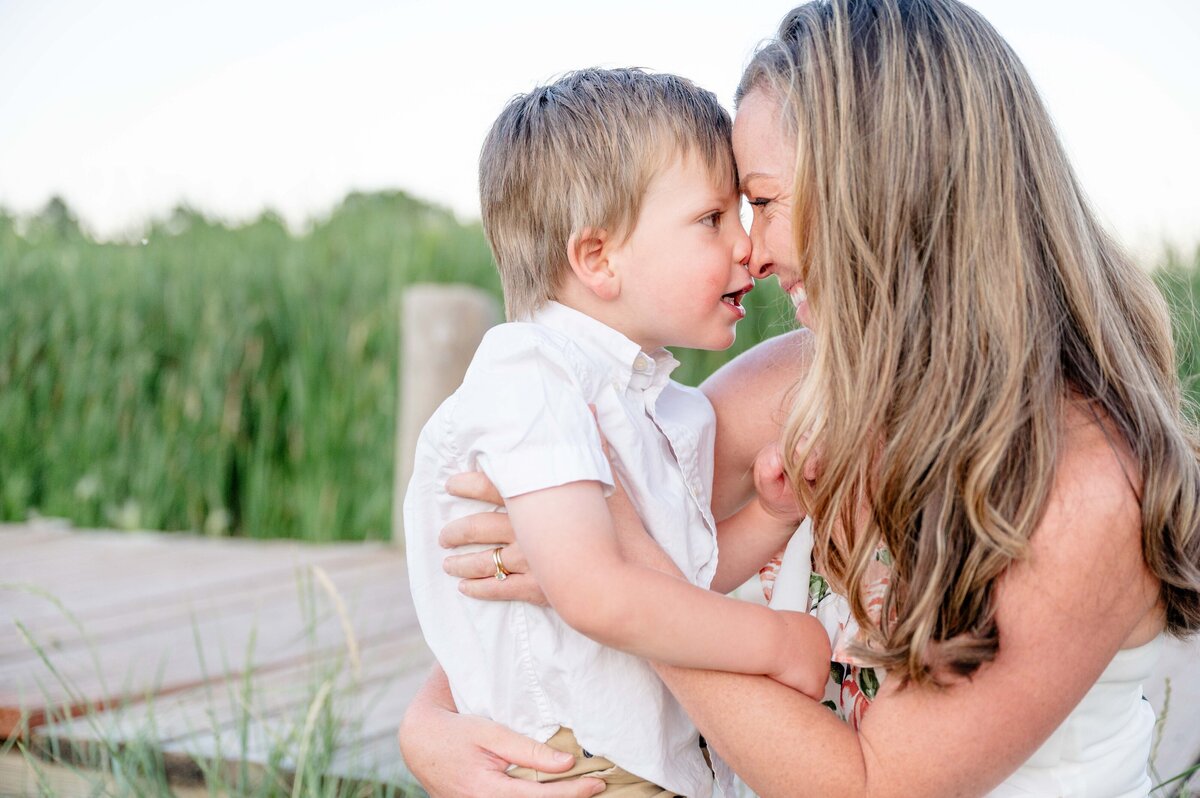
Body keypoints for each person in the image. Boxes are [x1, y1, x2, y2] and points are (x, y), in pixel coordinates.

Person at [399, 1, 1200, 796]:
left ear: (888, 190)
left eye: (765, 202)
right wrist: (430, 727)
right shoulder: (792, 386)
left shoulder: (1086, 489)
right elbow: (542, 563)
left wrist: (633, 567)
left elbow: (868, 785)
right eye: (726, 213)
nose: (754, 249)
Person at [403, 67, 831, 798]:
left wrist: (768, 517)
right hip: (583, 765)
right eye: (713, 219)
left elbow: (676, 577)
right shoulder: (533, 376)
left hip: (646, 762)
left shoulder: (657, 405)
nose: (746, 249)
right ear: (598, 258)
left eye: (746, 211)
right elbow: (596, 593)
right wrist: (778, 643)